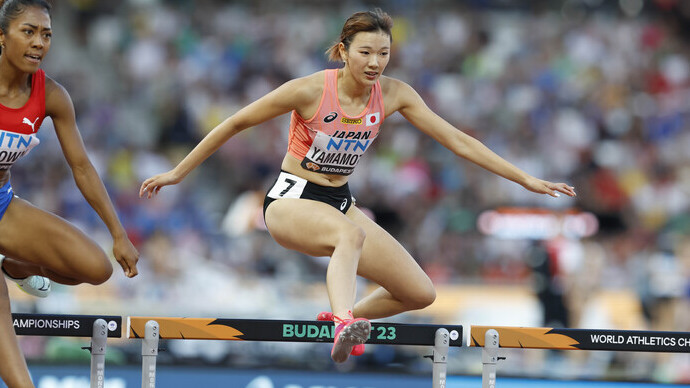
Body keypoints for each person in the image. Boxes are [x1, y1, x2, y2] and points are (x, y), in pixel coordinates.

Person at [140, 8, 576, 363]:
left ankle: (341, 318)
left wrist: (526, 179)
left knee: (419, 292)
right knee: (351, 233)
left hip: (339, 200)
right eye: (366, 52)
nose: (375, 63)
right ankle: (344, 322)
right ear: (343, 51)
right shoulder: (309, 90)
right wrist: (178, 172)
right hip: (291, 199)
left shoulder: (395, 94)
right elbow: (235, 122)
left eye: (384, 53)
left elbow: (458, 140)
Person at [0, 1, 140, 386]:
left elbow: (81, 167)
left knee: (95, 268)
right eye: (28, 31)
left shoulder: (52, 95)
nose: (39, 42)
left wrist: (118, 233)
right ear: (1, 36)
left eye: (46, 34)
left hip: (2, 206)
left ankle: (12, 266)